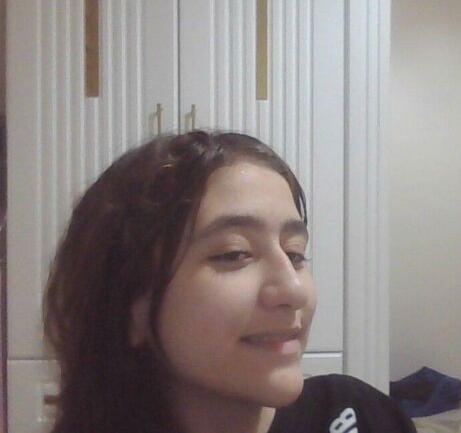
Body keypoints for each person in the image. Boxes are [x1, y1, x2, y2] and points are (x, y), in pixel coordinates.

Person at [43, 130, 417, 433]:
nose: (294, 290)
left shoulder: (357, 413)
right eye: (234, 254)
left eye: (295, 253)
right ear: (129, 307)